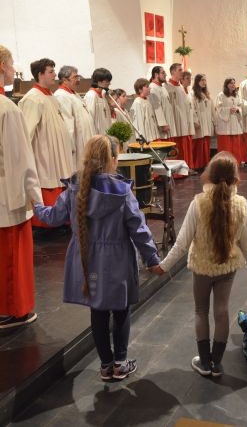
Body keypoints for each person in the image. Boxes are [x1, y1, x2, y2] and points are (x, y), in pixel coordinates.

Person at [33, 135, 160, 380]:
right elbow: (139, 228)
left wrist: (35, 205)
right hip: (118, 259)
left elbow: (52, 217)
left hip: (86, 259)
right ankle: (120, 363)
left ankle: (105, 365)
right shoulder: (122, 191)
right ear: (113, 159)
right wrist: (152, 258)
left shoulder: (74, 188)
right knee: (121, 311)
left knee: (98, 312)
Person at [150, 152, 247, 376]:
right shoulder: (241, 204)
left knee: (201, 311)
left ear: (209, 175)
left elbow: (181, 243)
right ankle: (217, 363)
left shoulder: (198, 203)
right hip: (227, 267)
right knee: (222, 311)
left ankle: (204, 362)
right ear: (236, 179)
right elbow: (246, 240)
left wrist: (164, 266)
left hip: (202, 267)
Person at [0, 45, 43, 329]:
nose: (14, 68)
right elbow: (21, 160)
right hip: (7, 196)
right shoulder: (6, 108)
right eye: (11, 62)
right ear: (2, 65)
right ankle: (11, 311)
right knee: (10, 258)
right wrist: (35, 198)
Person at [18, 58, 73, 227]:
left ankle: (61, 219)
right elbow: (26, 134)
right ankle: (46, 223)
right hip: (46, 157)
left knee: (60, 182)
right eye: (51, 71)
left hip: (58, 155)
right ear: (40, 74)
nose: (55, 75)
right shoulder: (33, 99)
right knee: (49, 185)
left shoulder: (50, 96)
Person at [54, 65, 95, 170]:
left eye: (78, 77)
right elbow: (67, 125)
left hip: (85, 144)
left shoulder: (74, 94)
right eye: (75, 77)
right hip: (77, 147)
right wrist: (70, 147)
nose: (78, 80)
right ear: (64, 80)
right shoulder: (61, 95)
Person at [164, 63, 195, 168]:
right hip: (175, 122)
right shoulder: (167, 87)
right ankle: (176, 171)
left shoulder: (181, 87)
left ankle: (185, 168)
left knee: (184, 146)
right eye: (180, 70)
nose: (182, 72)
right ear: (172, 72)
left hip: (184, 121)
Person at [216, 78, 243, 164]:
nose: (233, 85)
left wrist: (238, 110)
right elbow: (218, 108)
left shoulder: (237, 95)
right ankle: (224, 162)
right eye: (231, 83)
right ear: (226, 85)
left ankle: (235, 162)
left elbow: (240, 106)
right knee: (225, 144)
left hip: (235, 121)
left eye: (234, 83)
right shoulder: (221, 95)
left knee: (235, 144)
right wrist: (228, 110)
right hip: (225, 123)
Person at [192, 74, 215, 170]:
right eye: (202, 80)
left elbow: (212, 109)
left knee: (206, 143)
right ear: (197, 81)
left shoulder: (207, 94)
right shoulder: (193, 94)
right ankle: (197, 165)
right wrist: (195, 120)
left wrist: (214, 121)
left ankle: (205, 163)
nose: (204, 82)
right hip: (200, 123)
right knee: (199, 144)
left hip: (207, 122)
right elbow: (192, 109)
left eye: (205, 80)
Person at [149, 66, 176, 139]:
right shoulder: (153, 88)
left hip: (168, 121)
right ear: (156, 75)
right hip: (162, 127)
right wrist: (163, 124)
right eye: (163, 73)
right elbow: (156, 107)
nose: (166, 75)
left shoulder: (162, 87)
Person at [84, 68, 112, 134]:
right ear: (99, 81)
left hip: (105, 133)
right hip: (97, 136)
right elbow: (90, 119)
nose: (109, 83)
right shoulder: (91, 95)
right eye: (107, 81)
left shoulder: (103, 95)